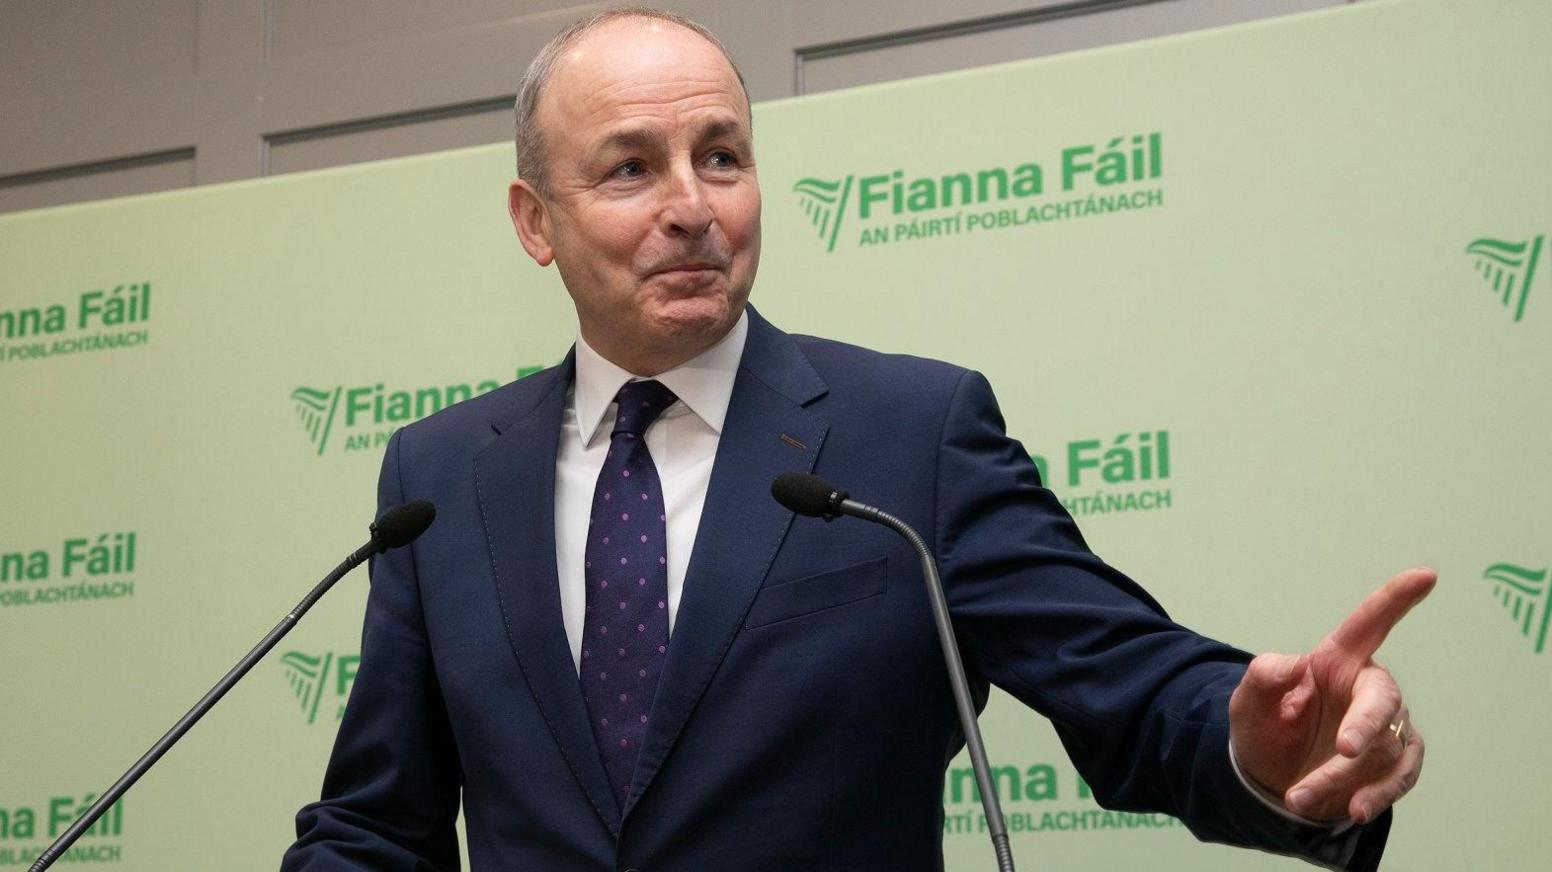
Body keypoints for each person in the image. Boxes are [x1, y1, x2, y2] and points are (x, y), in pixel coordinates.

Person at [281, 8, 1430, 871]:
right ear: (536, 221)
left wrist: (1259, 749)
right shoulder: (439, 478)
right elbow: (381, 821)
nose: (693, 204)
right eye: (632, 167)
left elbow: (1129, 684)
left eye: (721, 156)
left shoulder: (909, 437)